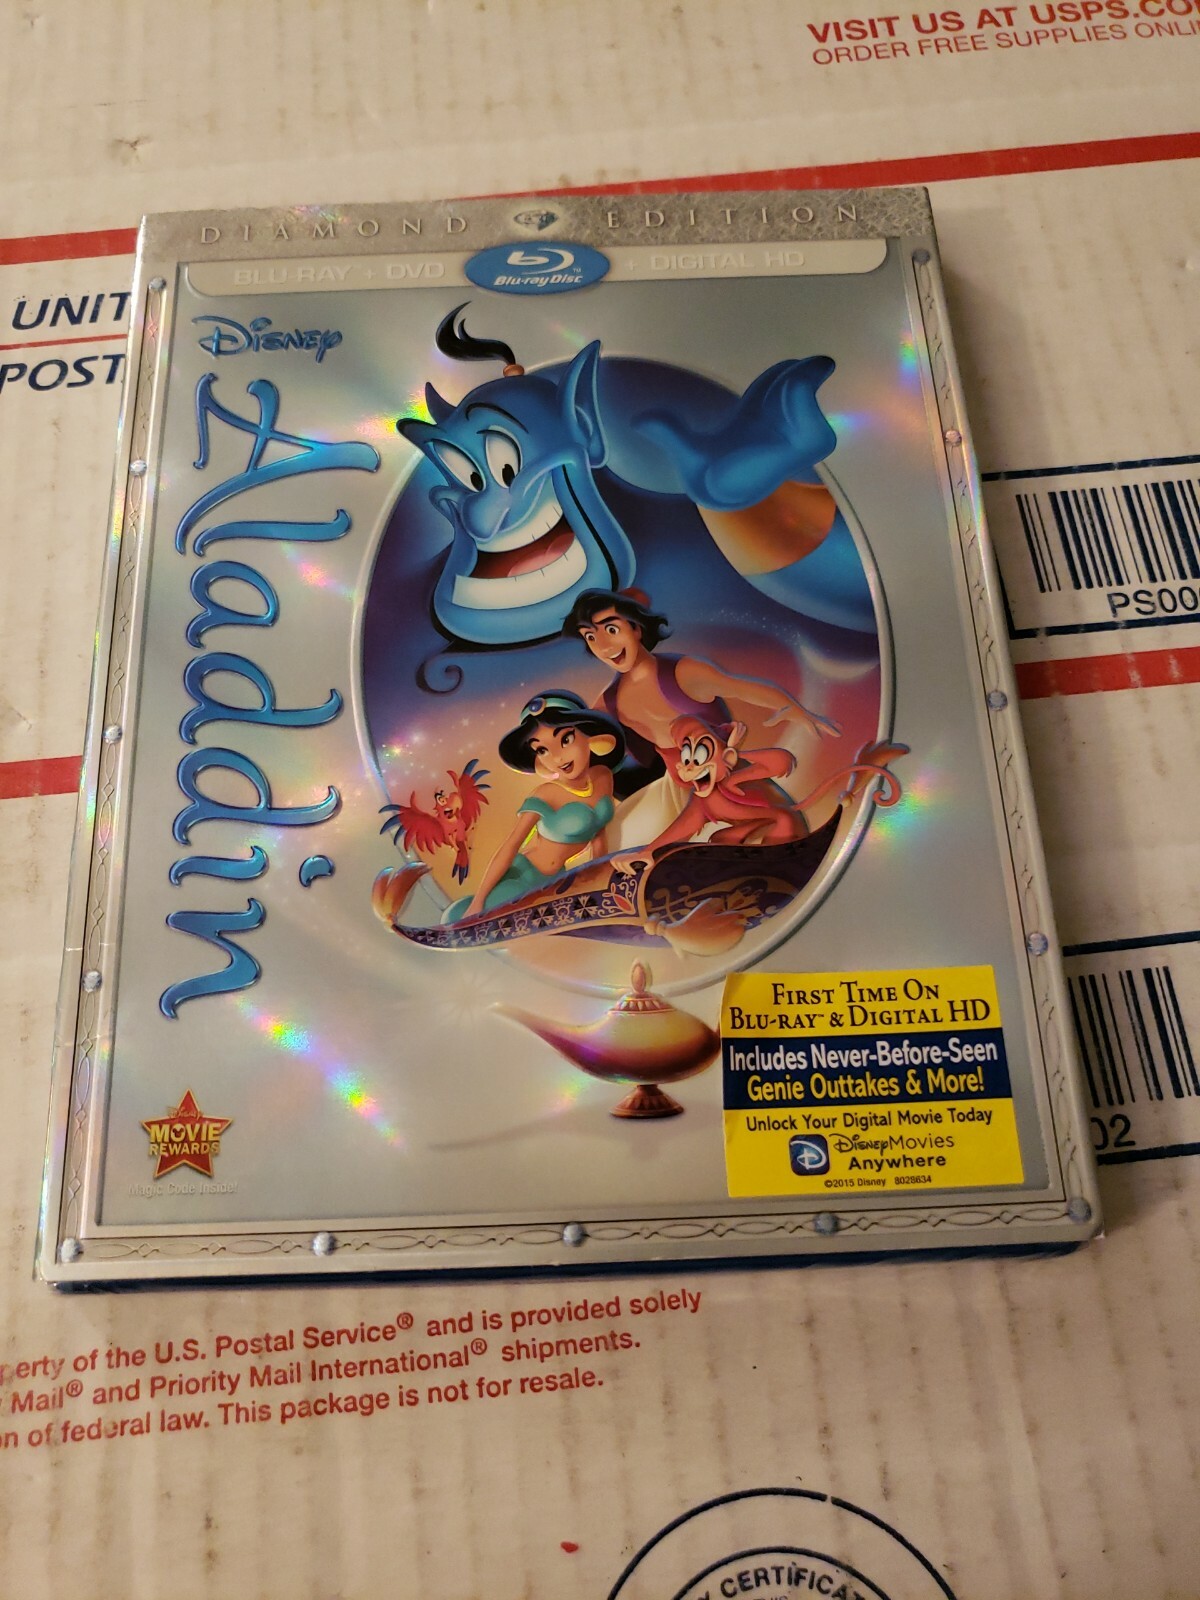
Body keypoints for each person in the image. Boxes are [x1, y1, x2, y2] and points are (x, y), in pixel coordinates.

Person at [562, 588, 839, 793]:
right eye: (591, 637)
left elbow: (742, 688)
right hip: (681, 790)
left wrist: (795, 709)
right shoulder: (609, 701)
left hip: (730, 778)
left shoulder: (684, 673)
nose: (604, 646)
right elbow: (576, 741)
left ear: (636, 628)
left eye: (611, 630)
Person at [446, 691, 625, 922]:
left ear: (587, 734)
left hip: (554, 880)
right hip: (523, 877)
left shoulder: (603, 776)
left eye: (566, 740)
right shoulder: (545, 794)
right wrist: (478, 901)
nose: (557, 758)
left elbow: (598, 832)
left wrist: (599, 873)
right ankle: (464, 912)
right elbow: (511, 845)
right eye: (542, 750)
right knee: (482, 919)